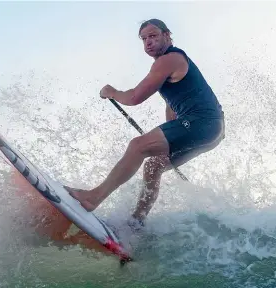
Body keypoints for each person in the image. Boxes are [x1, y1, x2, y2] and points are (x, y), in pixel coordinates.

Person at [66, 18, 225, 229]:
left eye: (153, 36)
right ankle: (137, 222)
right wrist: (169, 139)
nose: (148, 42)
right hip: (212, 132)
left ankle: (92, 198)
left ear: (167, 35)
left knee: (137, 146)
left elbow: (134, 98)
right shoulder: (168, 69)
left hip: (202, 123)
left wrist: (111, 92)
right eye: (143, 39)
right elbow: (172, 109)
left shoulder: (170, 59)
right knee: (153, 165)